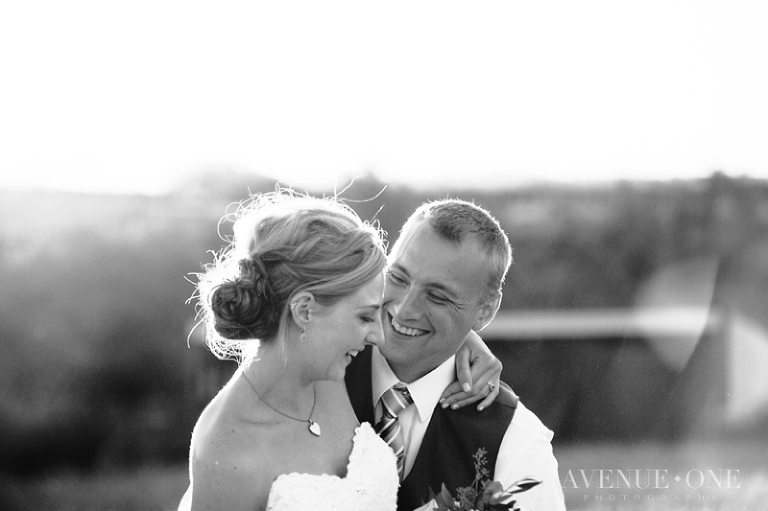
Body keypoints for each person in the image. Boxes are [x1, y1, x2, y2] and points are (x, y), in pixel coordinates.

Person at [177, 191, 503, 511]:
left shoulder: (324, 369)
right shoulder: (228, 450)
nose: (378, 334)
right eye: (364, 317)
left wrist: (464, 336)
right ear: (305, 310)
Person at [345, 199, 567, 511]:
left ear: (486, 310)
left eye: (437, 296)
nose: (404, 309)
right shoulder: (318, 371)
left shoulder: (515, 444)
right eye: (397, 278)